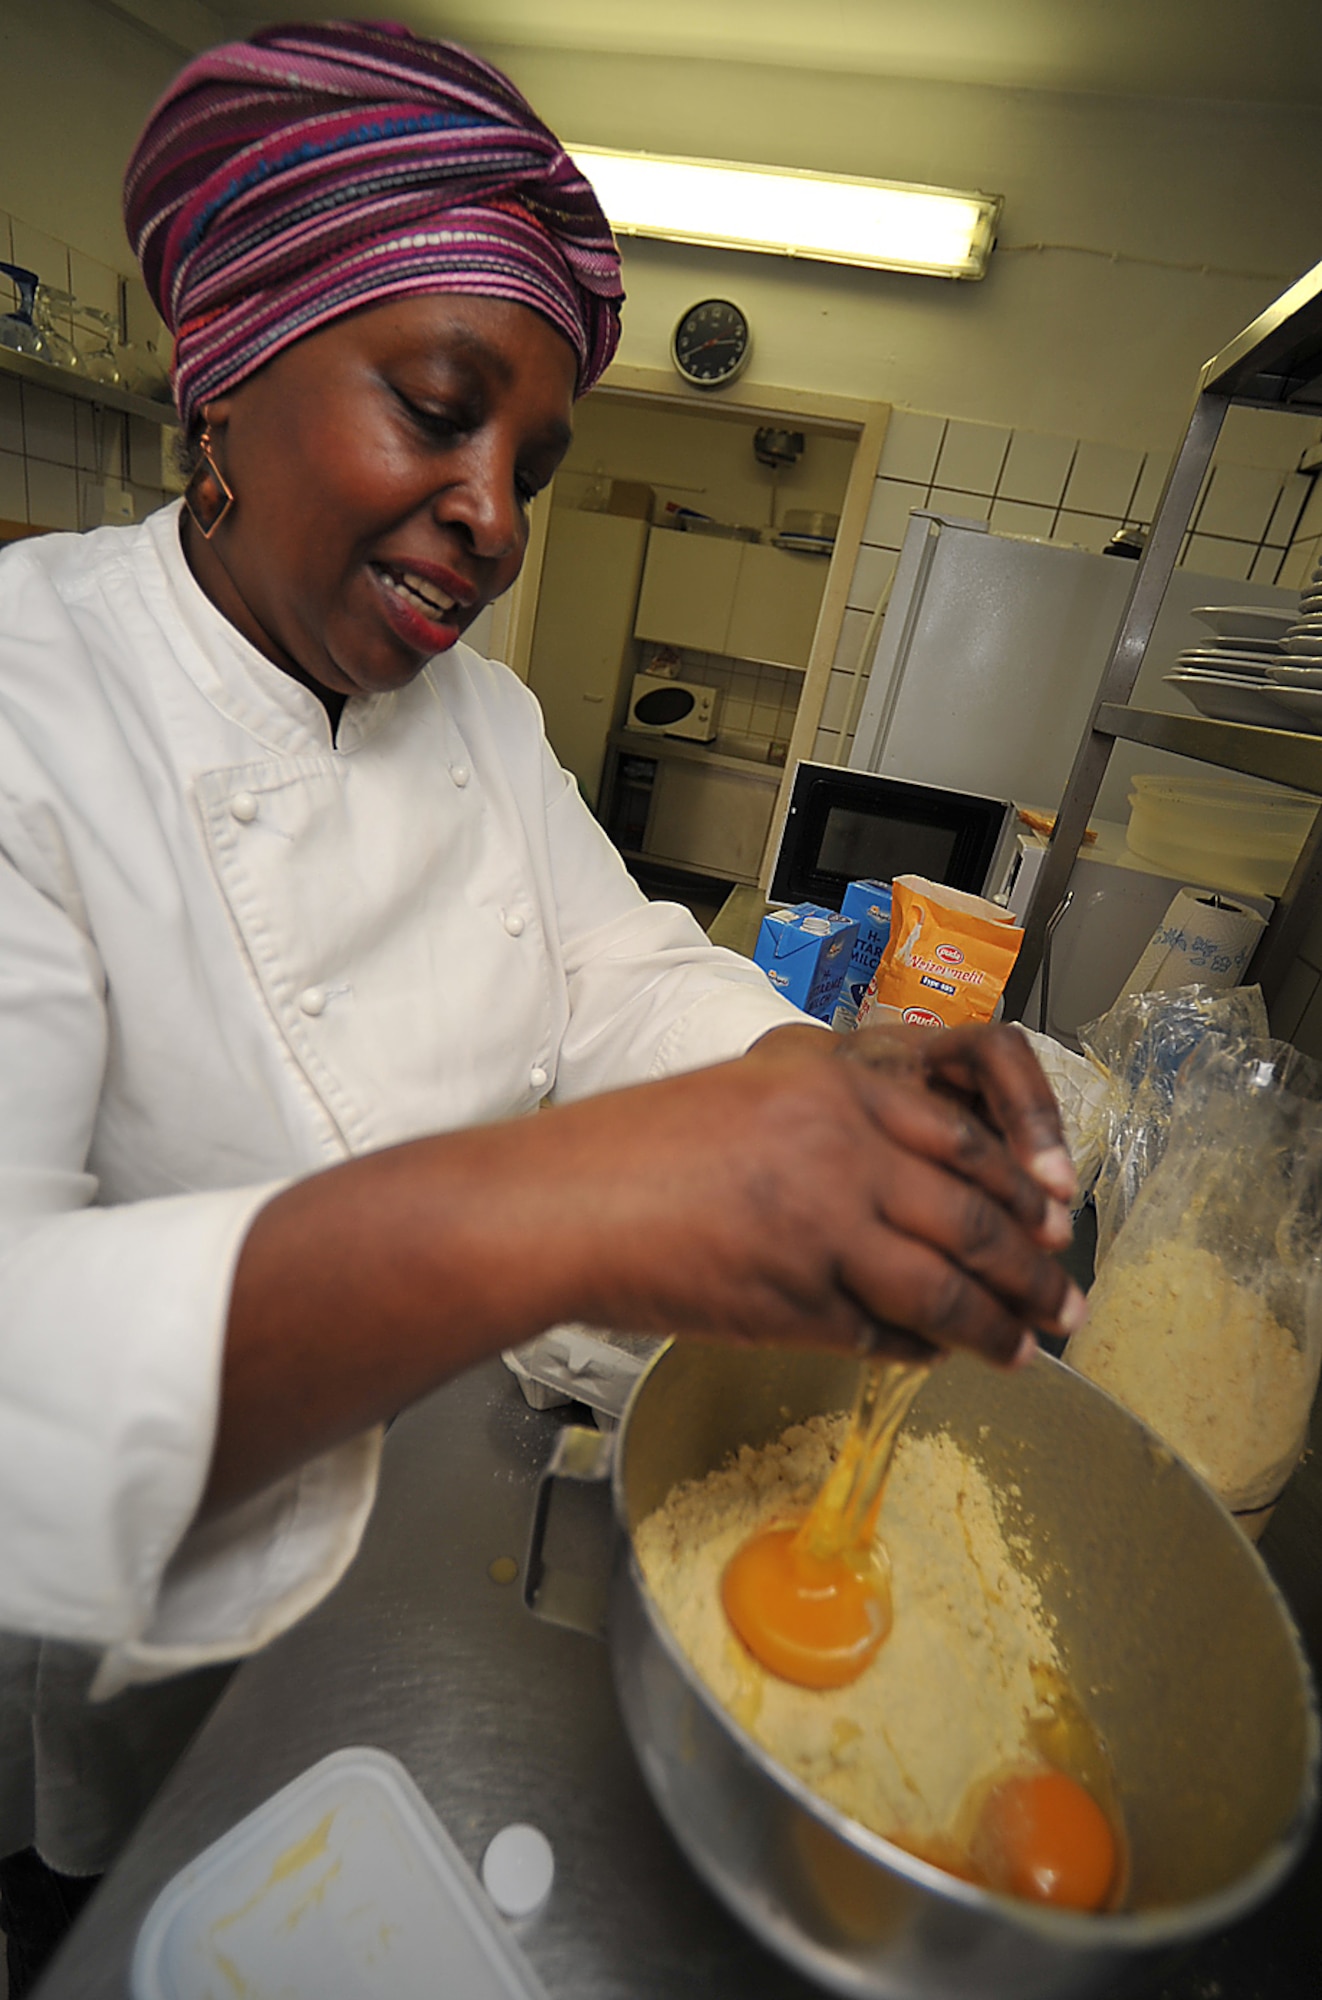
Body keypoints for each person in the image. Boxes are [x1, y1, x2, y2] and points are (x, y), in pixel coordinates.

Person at [0, 21, 1084, 1988]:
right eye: (437, 410)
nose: (494, 514)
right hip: (161, 1611)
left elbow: (621, 971)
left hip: (437, 1532)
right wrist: (575, 1202)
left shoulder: (479, 719)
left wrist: (835, 1100)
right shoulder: (27, 701)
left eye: (530, 461)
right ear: (223, 372)